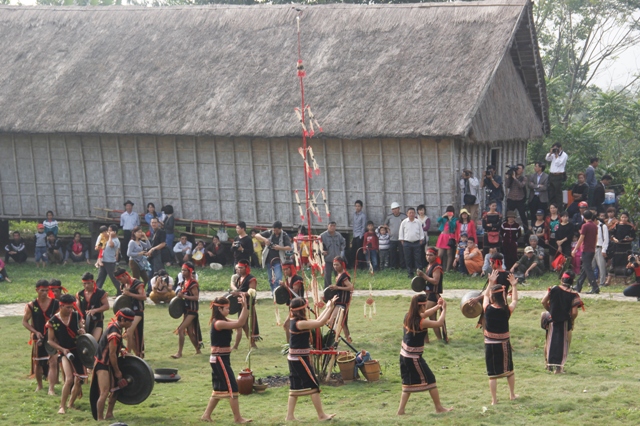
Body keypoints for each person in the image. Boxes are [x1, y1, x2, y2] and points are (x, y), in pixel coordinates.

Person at [397, 294, 452, 415]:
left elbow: (424, 314)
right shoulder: (421, 322)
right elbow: (439, 323)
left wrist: (438, 306)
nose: (426, 307)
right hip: (413, 357)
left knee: (408, 383)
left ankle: (401, 410)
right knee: (430, 380)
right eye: (425, 305)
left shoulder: (409, 316)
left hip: (404, 355)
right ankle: (439, 408)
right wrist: (444, 309)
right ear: (421, 306)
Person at [285, 297, 338, 422]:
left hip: (295, 358)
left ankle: (289, 416)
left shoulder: (296, 320)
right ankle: (321, 415)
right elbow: (319, 323)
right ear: (302, 310)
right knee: (313, 385)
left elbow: (318, 320)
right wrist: (330, 308)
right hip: (299, 359)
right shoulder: (300, 323)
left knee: (295, 388)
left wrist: (327, 308)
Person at [201, 294, 251, 423]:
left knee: (219, 388)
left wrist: (245, 307)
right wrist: (245, 306)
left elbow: (241, 322)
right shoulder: (219, 323)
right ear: (220, 309)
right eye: (227, 308)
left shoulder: (223, 320)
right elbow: (240, 322)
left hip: (220, 359)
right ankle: (237, 418)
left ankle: (206, 415)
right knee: (233, 388)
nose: (229, 311)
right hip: (219, 359)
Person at [483, 270, 519, 405]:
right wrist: (514, 286)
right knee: (509, 370)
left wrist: (491, 282)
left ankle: (494, 400)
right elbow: (514, 300)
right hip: (504, 344)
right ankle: (512, 395)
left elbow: (485, 296)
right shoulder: (506, 310)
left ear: (493, 298)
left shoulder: (487, 309)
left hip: (490, 344)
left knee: (492, 374)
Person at [46, 293, 86, 414]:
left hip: (78, 350)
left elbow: (82, 328)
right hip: (65, 352)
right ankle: (62, 406)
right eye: (67, 307)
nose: (70, 310)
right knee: (69, 379)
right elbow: (50, 341)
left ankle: (70, 403)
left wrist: (82, 330)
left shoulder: (75, 315)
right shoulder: (53, 321)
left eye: (71, 307)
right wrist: (62, 349)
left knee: (79, 380)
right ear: (61, 305)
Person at [92, 308, 135, 421]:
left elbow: (114, 348)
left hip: (109, 363)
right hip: (103, 364)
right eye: (129, 321)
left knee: (116, 389)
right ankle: (100, 418)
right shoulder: (114, 332)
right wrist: (117, 372)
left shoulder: (117, 327)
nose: (131, 324)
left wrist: (121, 350)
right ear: (121, 319)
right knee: (104, 392)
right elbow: (111, 354)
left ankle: (109, 414)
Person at [541, 271, 584, 374]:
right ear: (572, 281)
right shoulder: (573, 295)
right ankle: (559, 369)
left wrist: (550, 310)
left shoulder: (553, 288)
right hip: (564, 322)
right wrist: (572, 320)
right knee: (563, 344)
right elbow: (574, 312)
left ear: (562, 279)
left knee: (549, 341)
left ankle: (548, 365)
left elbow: (543, 301)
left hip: (552, 320)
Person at [22, 280, 59, 394]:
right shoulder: (31, 305)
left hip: (51, 338)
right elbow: (25, 322)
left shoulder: (55, 304)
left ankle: (51, 388)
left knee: (52, 362)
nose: (44, 293)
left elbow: (59, 320)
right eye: (42, 290)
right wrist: (35, 332)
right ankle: (39, 385)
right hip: (38, 338)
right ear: (37, 290)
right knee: (38, 363)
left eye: (46, 290)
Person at [172, 261, 203, 358]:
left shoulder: (193, 283)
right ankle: (198, 350)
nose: (182, 272)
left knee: (181, 329)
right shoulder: (183, 282)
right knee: (189, 332)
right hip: (186, 310)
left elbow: (196, 297)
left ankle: (179, 353)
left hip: (192, 310)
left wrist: (184, 296)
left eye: (185, 270)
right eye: (182, 270)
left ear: (190, 271)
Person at [114, 268, 146, 357]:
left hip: (138, 311)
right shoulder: (123, 285)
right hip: (128, 312)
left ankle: (128, 353)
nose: (120, 281)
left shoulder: (137, 283)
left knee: (129, 331)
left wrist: (130, 294)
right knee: (130, 335)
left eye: (120, 279)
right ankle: (138, 354)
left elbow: (144, 297)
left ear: (125, 275)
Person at [416, 248, 445, 342]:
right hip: (428, 294)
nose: (428, 257)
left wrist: (424, 276)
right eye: (427, 255)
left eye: (431, 255)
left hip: (433, 295)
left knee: (422, 317)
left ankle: (425, 340)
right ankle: (440, 340)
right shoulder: (429, 266)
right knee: (433, 319)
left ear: (436, 256)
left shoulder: (437, 267)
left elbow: (435, 281)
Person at [230, 260, 260, 349]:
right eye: (238, 268)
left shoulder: (251, 279)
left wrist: (238, 294)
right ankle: (251, 343)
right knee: (242, 324)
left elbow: (252, 292)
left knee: (244, 324)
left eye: (241, 268)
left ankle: (237, 345)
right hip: (241, 304)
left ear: (246, 268)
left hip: (248, 304)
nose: (239, 269)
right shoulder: (239, 278)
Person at [255, 221, 292, 293]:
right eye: (274, 230)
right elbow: (256, 235)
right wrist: (265, 239)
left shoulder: (284, 235)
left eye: (277, 230)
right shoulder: (270, 232)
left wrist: (280, 248)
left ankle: (278, 293)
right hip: (269, 260)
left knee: (278, 278)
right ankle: (273, 293)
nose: (275, 232)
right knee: (270, 279)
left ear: (280, 229)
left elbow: (289, 247)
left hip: (278, 260)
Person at [76, 272, 109, 342]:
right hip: (84, 322)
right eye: (84, 284)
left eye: (88, 283)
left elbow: (106, 306)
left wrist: (95, 310)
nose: (86, 286)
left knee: (93, 342)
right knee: (84, 342)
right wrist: (81, 318)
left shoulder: (100, 293)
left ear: (93, 282)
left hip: (97, 321)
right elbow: (77, 307)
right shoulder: (80, 294)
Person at [573, 210, 600, 293]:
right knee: (585, 268)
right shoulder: (594, 226)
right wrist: (594, 247)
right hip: (591, 249)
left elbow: (581, 238)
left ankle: (595, 286)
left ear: (584, 217)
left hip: (586, 249)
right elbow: (596, 237)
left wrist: (575, 249)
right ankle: (578, 285)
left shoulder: (585, 226)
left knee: (588, 268)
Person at [328, 256, 354, 342]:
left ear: (342, 265)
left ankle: (332, 339)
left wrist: (337, 288)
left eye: (337, 265)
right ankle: (348, 339)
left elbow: (350, 287)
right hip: (339, 301)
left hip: (342, 302)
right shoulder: (339, 275)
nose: (335, 267)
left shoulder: (344, 276)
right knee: (343, 322)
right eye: (334, 265)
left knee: (331, 320)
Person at [280, 260, 305, 342]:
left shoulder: (297, 279)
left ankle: (291, 344)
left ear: (291, 268)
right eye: (283, 270)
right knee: (289, 325)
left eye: (287, 269)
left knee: (288, 325)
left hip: (299, 307)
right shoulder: (288, 280)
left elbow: (295, 293)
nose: (285, 271)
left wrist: (285, 286)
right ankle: (290, 344)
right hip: (292, 306)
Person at [399, 207, 426, 278]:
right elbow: (401, 233)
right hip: (407, 243)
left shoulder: (418, 222)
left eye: (413, 213)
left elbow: (421, 232)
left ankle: (419, 272)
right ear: (407, 214)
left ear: (415, 213)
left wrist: (421, 240)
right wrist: (402, 241)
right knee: (408, 258)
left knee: (418, 258)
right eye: (410, 213)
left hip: (416, 243)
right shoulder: (404, 222)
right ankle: (410, 273)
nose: (411, 214)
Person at [96, 225, 122, 296]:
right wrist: (99, 245)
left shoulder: (116, 240)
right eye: (108, 231)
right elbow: (100, 247)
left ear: (115, 232)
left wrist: (110, 236)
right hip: (103, 261)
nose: (108, 232)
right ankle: (96, 291)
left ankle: (120, 291)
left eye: (110, 231)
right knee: (100, 277)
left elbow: (111, 245)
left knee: (114, 278)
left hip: (110, 262)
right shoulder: (105, 239)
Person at [320, 221, 346, 289]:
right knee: (327, 275)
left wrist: (340, 249)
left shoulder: (338, 235)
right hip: (327, 259)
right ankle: (327, 289)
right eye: (331, 226)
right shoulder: (322, 236)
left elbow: (343, 242)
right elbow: (317, 245)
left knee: (338, 274)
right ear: (327, 226)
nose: (332, 227)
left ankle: (339, 288)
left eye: (334, 226)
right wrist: (322, 251)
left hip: (337, 259)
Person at [505, 164, 528, 232]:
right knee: (508, 215)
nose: (518, 169)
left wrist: (515, 178)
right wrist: (508, 177)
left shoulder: (524, 178)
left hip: (520, 199)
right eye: (517, 168)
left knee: (523, 216)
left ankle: (526, 232)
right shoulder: (511, 177)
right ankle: (506, 229)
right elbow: (507, 185)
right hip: (511, 198)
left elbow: (521, 185)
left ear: (522, 170)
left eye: (519, 168)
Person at [384, 202, 408, 270]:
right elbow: (385, 224)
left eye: (396, 209)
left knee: (402, 253)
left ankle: (402, 266)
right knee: (392, 253)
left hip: (401, 238)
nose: (395, 210)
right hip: (392, 238)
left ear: (399, 208)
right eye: (393, 209)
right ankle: (393, 266)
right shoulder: (389, 217)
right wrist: (388, 229)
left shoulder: (404, 216)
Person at [545, 142, 568, 209]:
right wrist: (551, 153)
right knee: (551, 193)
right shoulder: (553, 154)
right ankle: (551, 208)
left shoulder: (564, 155)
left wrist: (557, 155)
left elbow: (558, 163)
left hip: (559, 175)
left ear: (560, 148)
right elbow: (547, 159)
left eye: (556, 148)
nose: (555, 150)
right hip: (552, 175)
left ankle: (559, 209)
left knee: (558, 193)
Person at [435, 206, 457, 272]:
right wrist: (443, 216)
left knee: (449, 253)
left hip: (450, 236)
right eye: (448, 211)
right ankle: (437, 267)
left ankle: (447, 269)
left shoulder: (454, 219)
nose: (449, 213)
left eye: (451, 212)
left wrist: (450, 219)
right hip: (443, 236)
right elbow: (438, 220)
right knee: (440, 254)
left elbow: (454, 226)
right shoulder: (444, 218)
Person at [594, 211, 610, 287]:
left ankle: (602, 282)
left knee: (601, 266)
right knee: (591, 265)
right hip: (592, 247)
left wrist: (604, 249)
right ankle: (593, 281)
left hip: (599, 247)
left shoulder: (602, 226)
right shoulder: (592, 227)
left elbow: (606, 239)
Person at [350, 200, 367, 269]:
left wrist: (361, 236)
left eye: (359, 206)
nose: (357, 208)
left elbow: (363, 226)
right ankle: (354, 265)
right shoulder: (354, 214)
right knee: (353, 251)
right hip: (355, 235)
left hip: (360, 236)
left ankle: (361, 266)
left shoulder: (363, 216)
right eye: (356, 206)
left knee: (360, 252)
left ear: (361, 207)